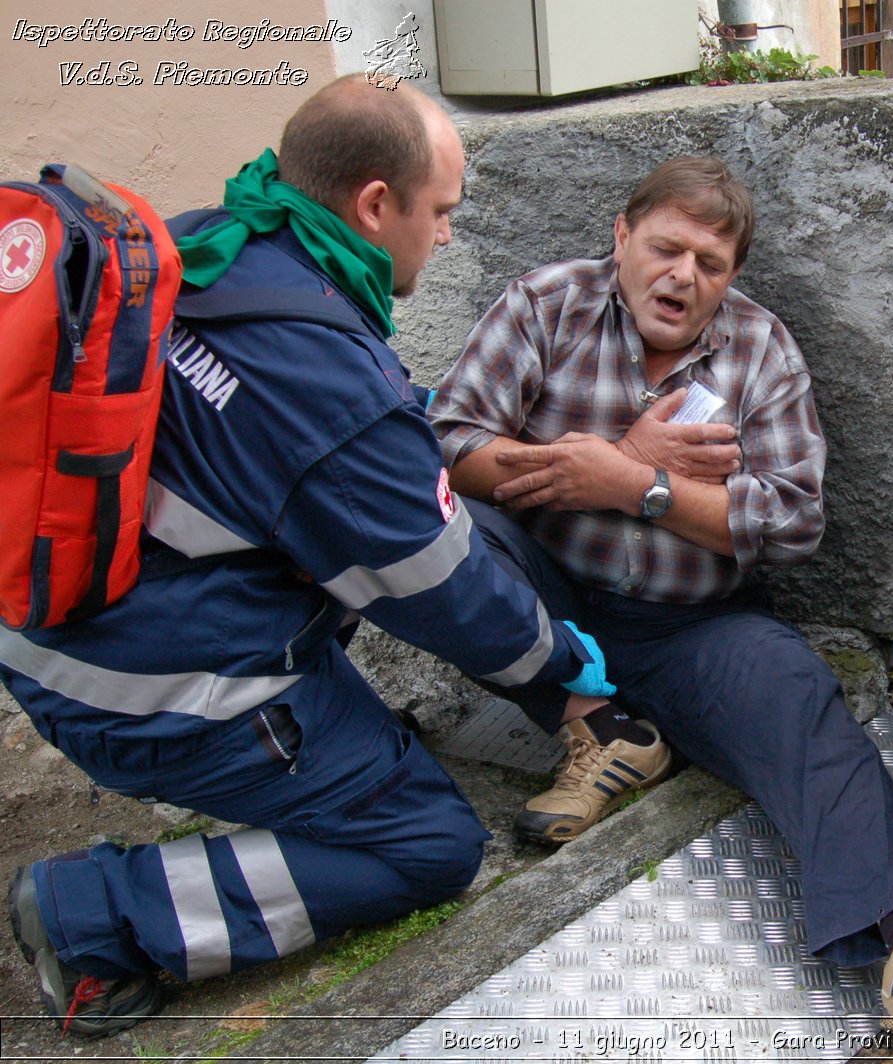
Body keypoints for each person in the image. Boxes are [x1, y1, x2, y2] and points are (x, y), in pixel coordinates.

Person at [0, 75, 616, 1038]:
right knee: (429, 843)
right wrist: (565, 667)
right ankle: (91, 913)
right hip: (149, 692)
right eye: (441, 211)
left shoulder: (220, 241)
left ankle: (319, 759)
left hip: (58, 627)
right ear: (376, 203)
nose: (446, 235)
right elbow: (442, 586)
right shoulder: (328, 389)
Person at [427, 155, 893, 1025]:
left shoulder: (761, 349)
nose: (682, 277)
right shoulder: (545, 302)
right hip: (548, 595)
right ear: (622, 237)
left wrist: (641, 489)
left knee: (797, 694)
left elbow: (793, 526)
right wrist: (617, 456)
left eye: (710, 264)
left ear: (732, 274)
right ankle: (598, 729)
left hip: (694, 626)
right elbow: (451, 446)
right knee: (440, 528)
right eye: (666, 249)